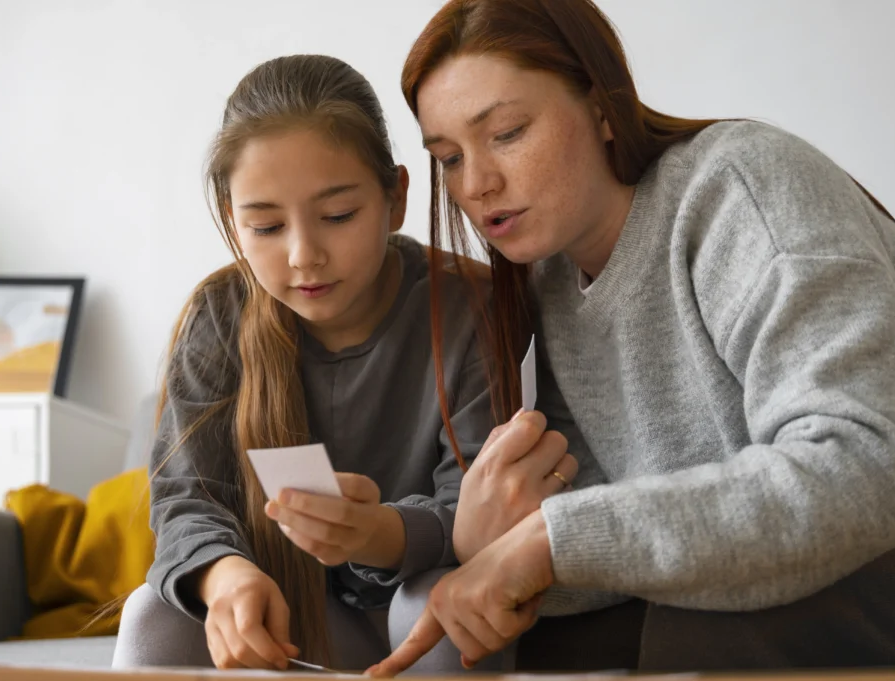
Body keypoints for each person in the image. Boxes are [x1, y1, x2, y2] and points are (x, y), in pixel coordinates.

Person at [368, 0, 895, 674]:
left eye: (507, 132)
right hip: (750, 594)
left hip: (878, 560)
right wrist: (481, 547)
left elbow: (862, 474)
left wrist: (547, 540)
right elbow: (620, 539)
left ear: (602, 108)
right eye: (448, 157)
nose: (476, 184)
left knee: (698, 625)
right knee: (472, 629)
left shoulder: (742, 186)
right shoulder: (552, 279)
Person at [110, 54, 574, 672]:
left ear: (396, 197)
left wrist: (382, 532)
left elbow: (480, 505)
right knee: (153, 614)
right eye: (267, 225)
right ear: (232, 221)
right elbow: (186, 500)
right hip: (289, 615)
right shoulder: (218, 318)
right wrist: (224, 579)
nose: (305, 256)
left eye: (338, 217)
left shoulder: (474, 308)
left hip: (422, 604)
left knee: (437, 608)